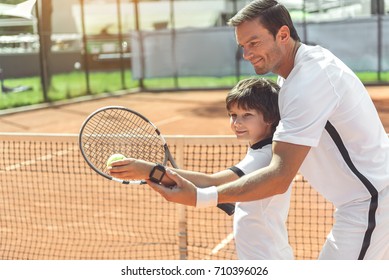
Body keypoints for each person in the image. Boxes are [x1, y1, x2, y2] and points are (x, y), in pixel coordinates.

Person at [143, 0, 389, 260]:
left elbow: (280, 176)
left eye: (254, 43)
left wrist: (202, 197)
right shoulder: (297, 72)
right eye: (243, 46)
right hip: (367, 200)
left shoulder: (309, 80)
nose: (246, 54)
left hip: (372, 202)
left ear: (283, 34)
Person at [109, 77, 294, 260]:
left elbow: (211, 183)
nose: (237, 122)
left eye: (247, 115)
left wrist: (149, 170)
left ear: (269, 118)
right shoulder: (266, 150)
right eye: (233, 115)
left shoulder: (262, 156)